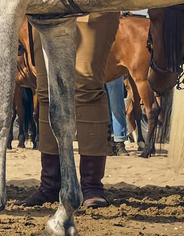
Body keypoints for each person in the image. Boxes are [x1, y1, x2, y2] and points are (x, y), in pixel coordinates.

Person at [20, 12, 119, 209]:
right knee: (46, 92)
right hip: (45, 10)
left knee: (87, 89)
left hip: (92, 4)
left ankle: (91, 186)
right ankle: (51, 184)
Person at [105, 75, 129, 155]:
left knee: (116, 106)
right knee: (103, 108)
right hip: (96, 71)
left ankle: (120, 142)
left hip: (114, 71)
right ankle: (109, 141)